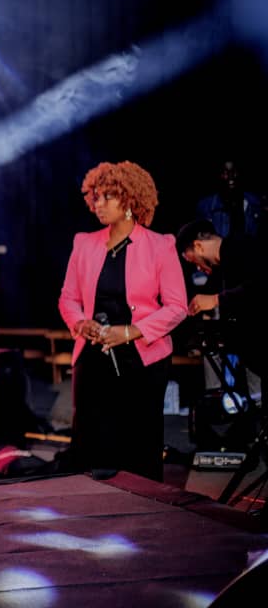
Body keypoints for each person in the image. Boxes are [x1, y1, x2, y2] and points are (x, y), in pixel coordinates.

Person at [57, 161, 187, 482]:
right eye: (96, 197)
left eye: (107, 196)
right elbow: (68, 298)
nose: (98, 204)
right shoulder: (84, 243)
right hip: (93, 357)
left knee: (139, 446)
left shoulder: (161, 245)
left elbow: (177, 307)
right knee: (90, 445)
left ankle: (142, 506)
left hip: (142, 360)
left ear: (129, 199)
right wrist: (81, 323)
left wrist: (130, 331)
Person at [176, 218, 267, 386]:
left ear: (199, 246)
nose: (198, 268)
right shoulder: (220, 272)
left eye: (193, 260)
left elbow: (259, 288)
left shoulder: (243, 247)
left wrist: (216, 300)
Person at [196, 160, 262, 240]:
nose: (231, 176)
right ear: (219, 175)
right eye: (225, 172)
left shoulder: (253, 202)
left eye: (233, 171)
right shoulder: (206, 205)